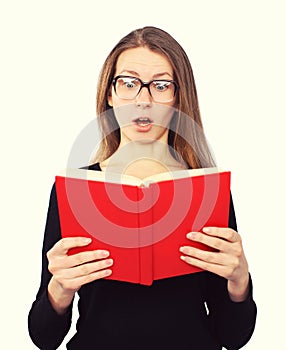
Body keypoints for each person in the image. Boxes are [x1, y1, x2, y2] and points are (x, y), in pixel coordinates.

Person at [28, 26, 257, 349]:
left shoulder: (206, 188)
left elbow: (233, 338)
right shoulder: (75, 190)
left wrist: (239, 282)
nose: (143, 99)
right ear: (110, 94)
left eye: (161, 85)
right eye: (129, 83)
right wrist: (59, 290)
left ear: (178, 98)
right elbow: (43, 337)